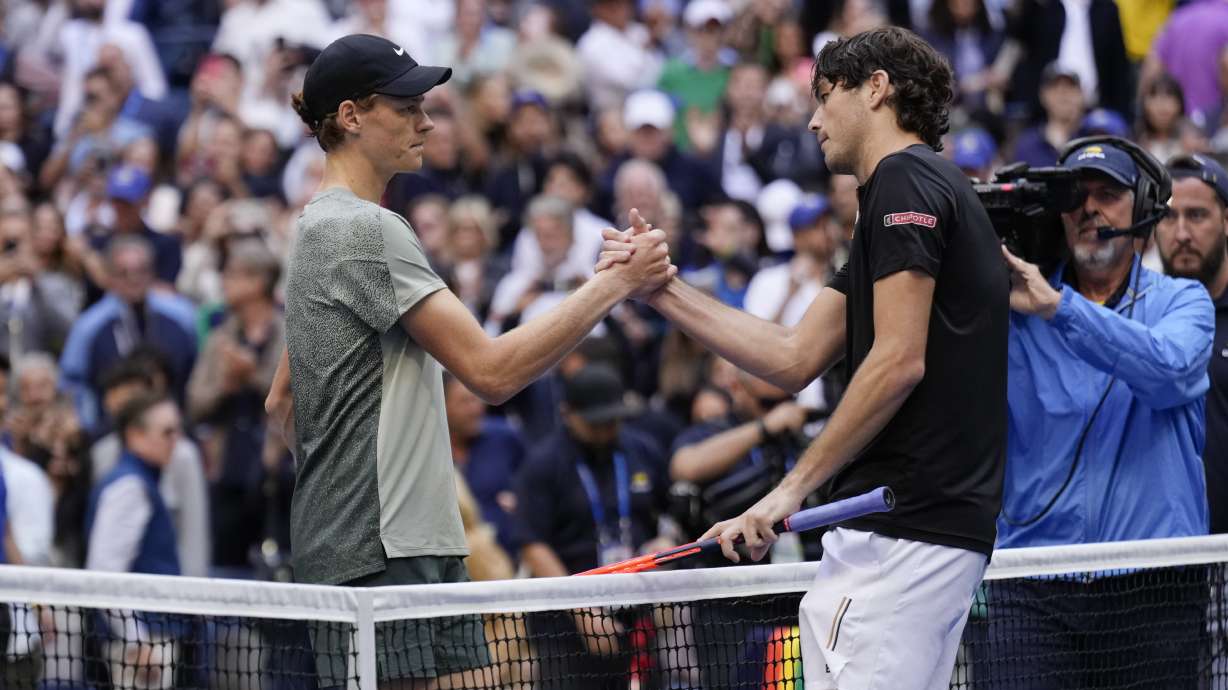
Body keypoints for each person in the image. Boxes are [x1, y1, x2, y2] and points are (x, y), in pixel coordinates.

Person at [601, 26, 1008, 690]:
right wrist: (660, 290)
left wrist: (784, 495)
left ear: (876, 89)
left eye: (825, 96)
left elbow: (898, 360)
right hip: (916, 532)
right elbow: (792, 357)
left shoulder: (904, 181)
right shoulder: (909, 191)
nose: (813, 120)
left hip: (900, 533)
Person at [266, 33, 672, 689]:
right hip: (389, 547)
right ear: (351, 116)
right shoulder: (366, 230)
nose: (426, 121)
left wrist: (338, 492)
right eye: (405, 106)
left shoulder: (319, 225)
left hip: (374, 541)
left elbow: (280, 401)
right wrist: (617, 284)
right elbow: (491, 372)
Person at [994, 136, 1213, 687]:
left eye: (1108, 194)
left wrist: (1058, 308)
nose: (1089, 208)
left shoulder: (1183, 302)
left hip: (1154, 584)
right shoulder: (1011, 311)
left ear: (1140, 208)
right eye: (1075, 196)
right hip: (1032, 583)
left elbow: (1169, 371)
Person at [1154, 152, 1228, 535]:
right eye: (1168, 217)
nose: (1181, 233)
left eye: (1197, 215)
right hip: (1167, 561)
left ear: (1226, 221)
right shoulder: (1135, 322)